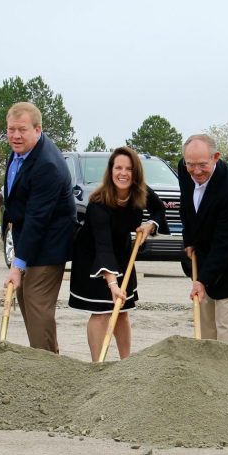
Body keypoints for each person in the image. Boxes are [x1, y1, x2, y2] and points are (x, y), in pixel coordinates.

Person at [68, 147, 167, 361]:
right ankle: (97, 365)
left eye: (129, 169)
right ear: (111, 171)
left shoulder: (141, 191)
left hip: (122, 253)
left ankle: (126, 362)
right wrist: (113, 285)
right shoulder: (98, 204)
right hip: (92, 255)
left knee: (122, 310)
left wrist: (150, 224)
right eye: (118, 168)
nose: (123, 173)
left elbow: (159, 209)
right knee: (103, 310)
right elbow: (102, 247)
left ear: (136, 173)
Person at [1, 101, 77, 352]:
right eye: (11, 129)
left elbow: (37, 219)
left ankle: (46, 364)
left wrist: (17, 264)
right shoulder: (21, 150)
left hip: (49, 242)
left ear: (38, 129)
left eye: (21, 130)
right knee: (24, 296)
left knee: (35, 300)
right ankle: (45, 355)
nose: (15, 135)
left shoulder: (47, 165)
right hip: (31, 237)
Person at [178, 133, 228, 344]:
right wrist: (189, 241)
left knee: (225, 333)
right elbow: (185, 206)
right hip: (203, 256)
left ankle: (227, 374)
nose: (195, 171)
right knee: (205, 331)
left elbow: (225, 245)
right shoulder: (185, 169)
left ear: (216, 157)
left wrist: (202, 281)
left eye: (202, 165)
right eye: (190, 164)